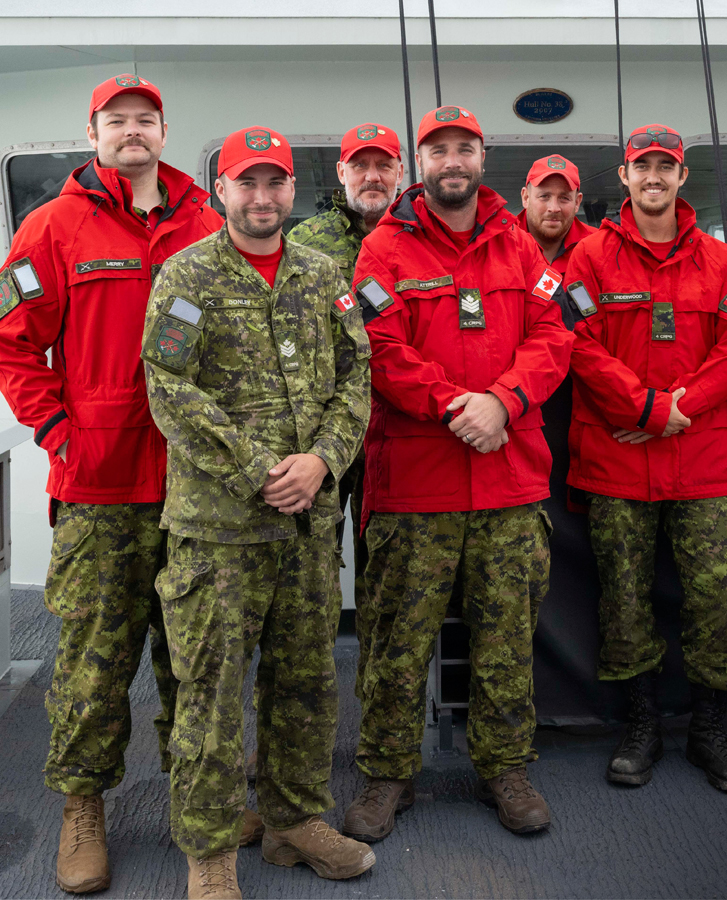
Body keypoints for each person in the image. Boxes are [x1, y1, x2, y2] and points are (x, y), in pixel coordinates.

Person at [0, 74, 223, 894]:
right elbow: (15, 346)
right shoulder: (51, 227)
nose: (133, 132)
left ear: (165, 132)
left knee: (193, 659)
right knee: (95, 662)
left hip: (197, 488)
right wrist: (58, 432)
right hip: (97, 489)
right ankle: (83, 807)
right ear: (92, 132)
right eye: (116, 120)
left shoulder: (208, 222)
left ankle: (196, 800)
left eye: (146, 120)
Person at [142, 126, 374, 899]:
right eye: (248, 182)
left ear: (291, 192)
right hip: (220, 530)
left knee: (307, 681)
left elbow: (356, 375)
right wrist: (257, 468)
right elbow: (169, 387)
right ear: (222, 191)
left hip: (308, 524)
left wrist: (323, 461)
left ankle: (294, 821)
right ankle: (209, 850)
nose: (263, 197)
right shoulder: (187, 275)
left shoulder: (321, 276)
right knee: (211, 691)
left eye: (275, 182)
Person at [348, 105, 573, 839]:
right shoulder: (383, 250)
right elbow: (379, 349)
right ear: (422, 160)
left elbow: (552, 336)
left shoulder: (518, 246)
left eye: (465, 148)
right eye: (439, 148)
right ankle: (387, 775)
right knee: (395, 639)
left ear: (482, 158)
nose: (453, 159)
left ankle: (505, 767)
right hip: (416, 482)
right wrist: (456, 406)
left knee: (507, 636)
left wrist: (503, 403)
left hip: (509, 481)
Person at [564, 123, 727, 793]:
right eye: (642, 165)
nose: (654, 176)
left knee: (717, 596)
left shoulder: (720, 258)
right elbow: (579, 346)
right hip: (619, 459)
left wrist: (681, 409)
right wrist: (648, 408)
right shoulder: (588, 258)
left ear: (682, 178)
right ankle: (640, 725)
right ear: (624, 176)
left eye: (666, 166)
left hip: (702, 460)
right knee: (624, 599)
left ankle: (710, 729)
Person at [288, 122, 403, 714]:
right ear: (341, 174)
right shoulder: (305, 241)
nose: (372, 177)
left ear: (401, 175)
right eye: (360, 166)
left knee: (388, 582)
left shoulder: (420, 237)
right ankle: (302, 725)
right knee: (310, 586)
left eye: (384, 165)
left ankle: (382, 725)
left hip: (400, 432)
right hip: (327, 439)